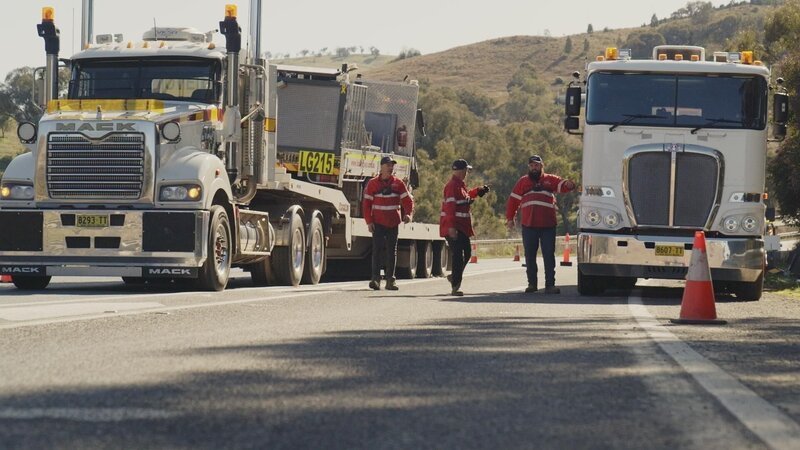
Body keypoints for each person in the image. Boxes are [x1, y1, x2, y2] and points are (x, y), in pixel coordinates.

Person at [506, 155, 576, 294]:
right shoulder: (523, 182)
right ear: (529, 167)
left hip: (548, 226)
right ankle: (532, 284)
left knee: (548, 255)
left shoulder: (550, 179)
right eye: (531, 165)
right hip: (529, 225)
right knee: (530, 256)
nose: (534, 167)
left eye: (536, 165)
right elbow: (513, 200)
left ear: (542, 166)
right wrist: (510, 218)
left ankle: (550, 285)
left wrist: (569, 184)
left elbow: (563, 185)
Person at [362, 156, 414, 291]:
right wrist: (369, 222)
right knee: (377, 251)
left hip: (393, 223)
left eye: (392, 166)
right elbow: (366, 204)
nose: (391, 168)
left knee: (392, 252)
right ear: (382, 167)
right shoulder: (373, 184)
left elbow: (408, 201)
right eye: (388, 165)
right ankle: (375, 279)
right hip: (378, 223)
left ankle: (390, 281)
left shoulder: (398, 183)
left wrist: (408, 214)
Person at [440, 159, 490, 296]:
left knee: (467, 253)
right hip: (454, 226)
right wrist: (451, 227)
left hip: (461, 227)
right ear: (462, 171)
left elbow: (465, 198)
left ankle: (454, 277)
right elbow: (450, 207)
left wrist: (477, 191)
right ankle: (456, 285)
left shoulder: (460, 186)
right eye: (466, 170)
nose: (467, 173)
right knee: (458, 255)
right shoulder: (452, 186)